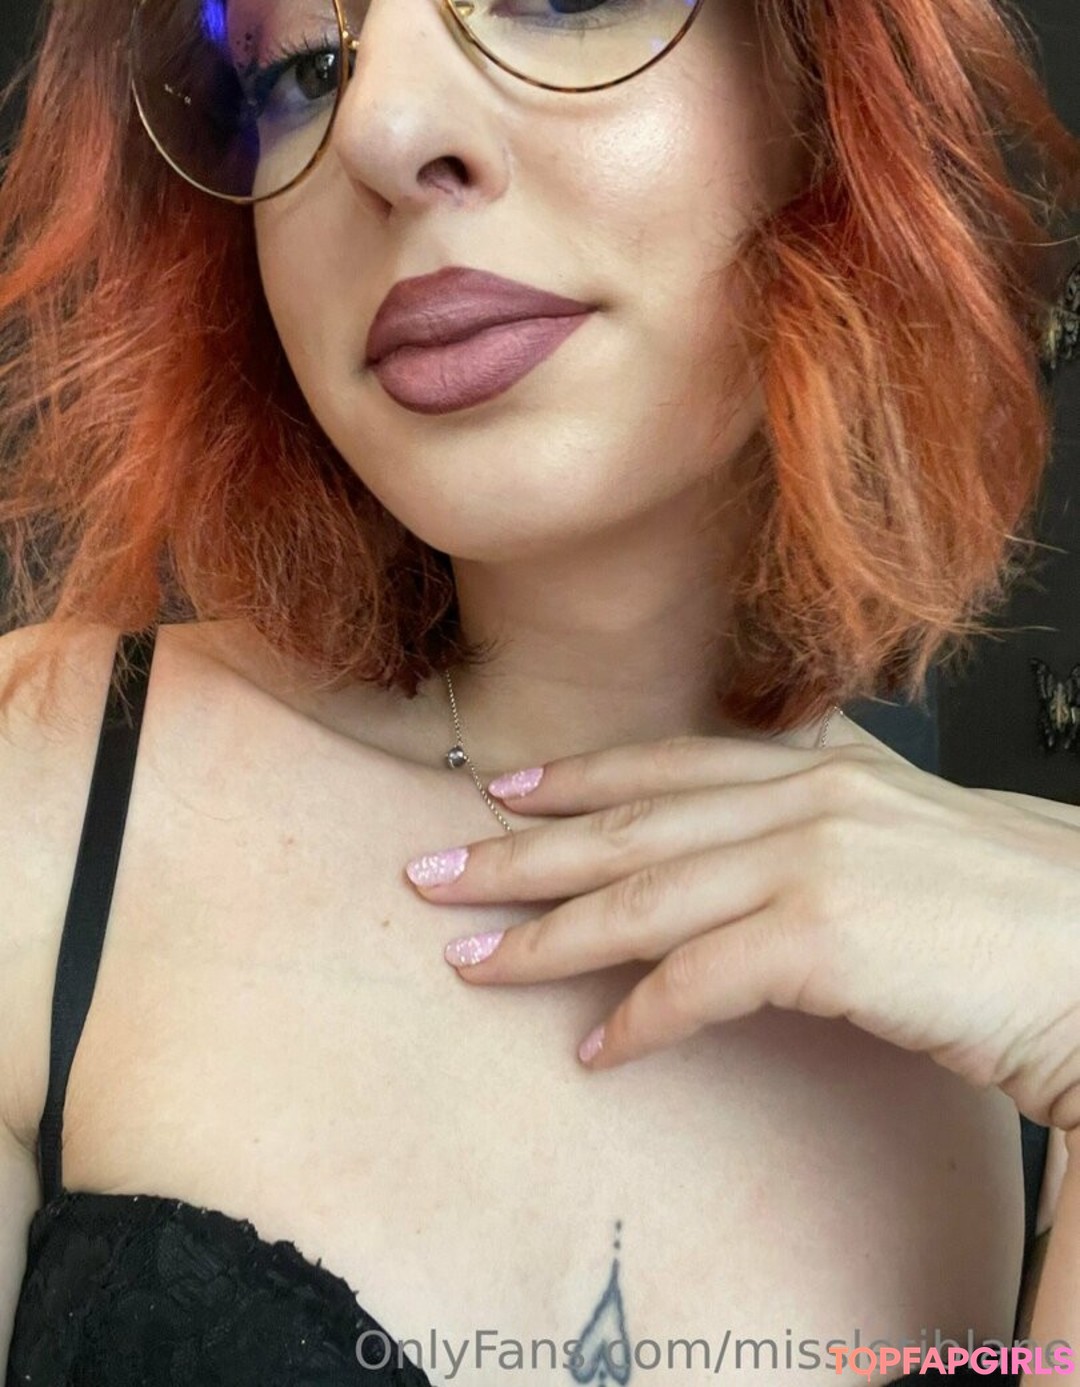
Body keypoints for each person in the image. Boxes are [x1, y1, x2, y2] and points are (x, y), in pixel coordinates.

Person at [0, 0, 1078, 1382]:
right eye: (299, 67)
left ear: (825, 85)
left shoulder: (1020, 1023)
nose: (379, 130)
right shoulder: (42, 793)